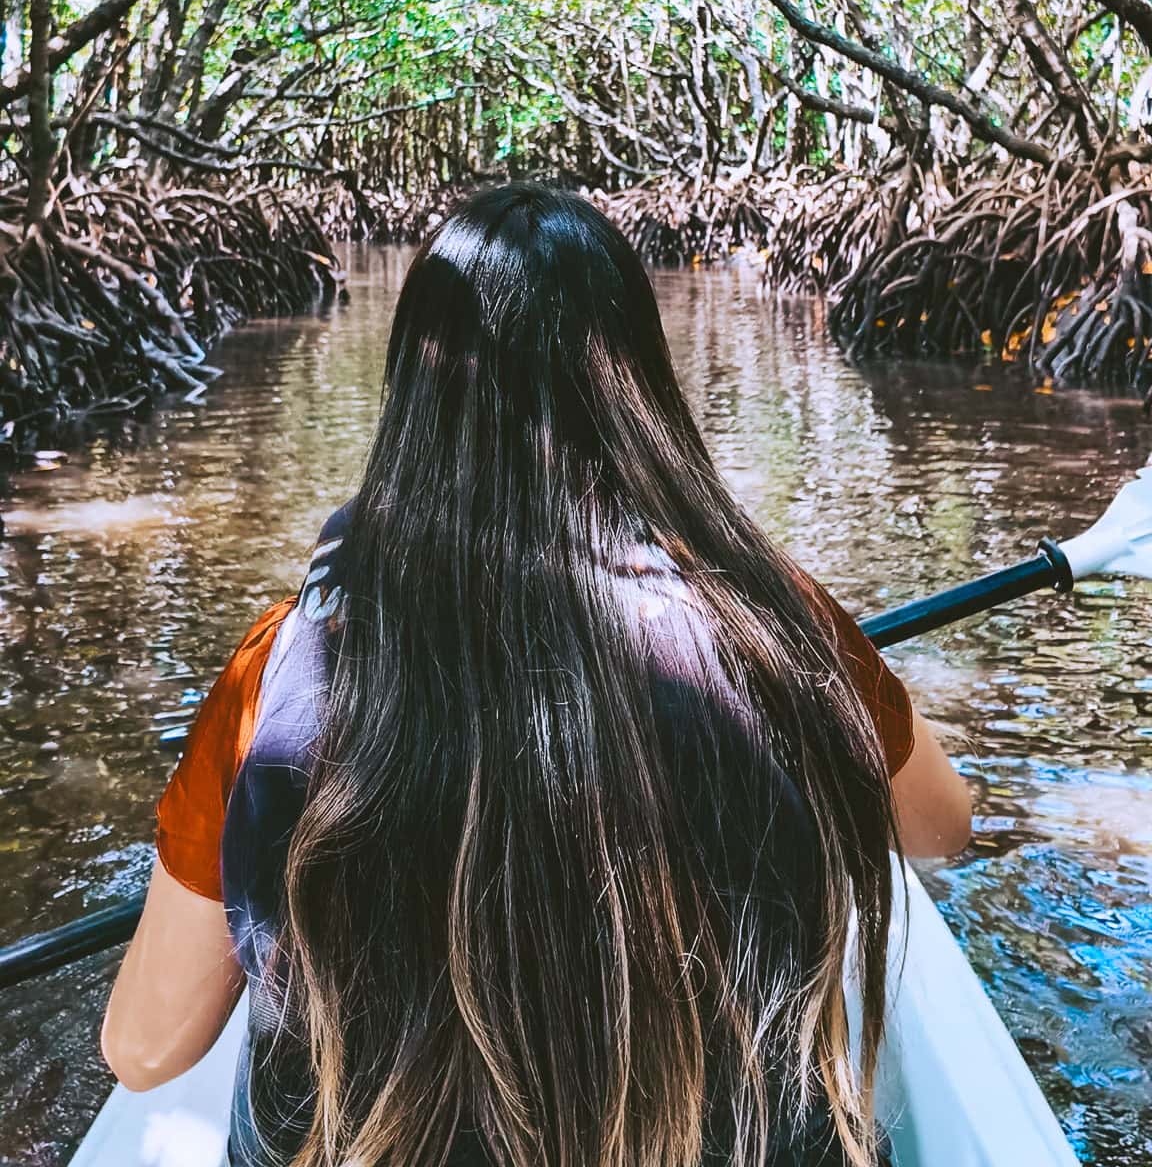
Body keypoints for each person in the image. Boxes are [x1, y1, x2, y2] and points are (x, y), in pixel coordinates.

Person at [102, 184, 969, 1167]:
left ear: (414, 391)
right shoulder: (777, 618)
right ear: (640, 381)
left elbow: (142, 1050)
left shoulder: (281, 664)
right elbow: (941, 826)